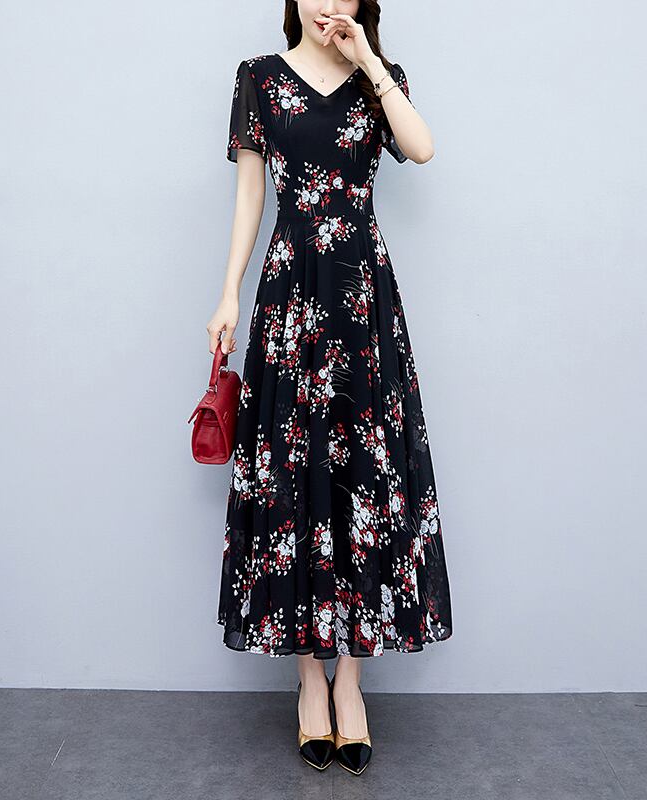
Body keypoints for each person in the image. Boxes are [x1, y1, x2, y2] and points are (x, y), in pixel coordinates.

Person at [207, 0, 454, 776]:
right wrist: (228, 294)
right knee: (294, 480)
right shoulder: (258, 79)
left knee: (362, 479)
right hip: (290, 297)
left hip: (361, 301)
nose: (327, 5)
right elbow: (251, 195)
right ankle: (309, 679)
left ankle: (352, 682)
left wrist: (369, 62)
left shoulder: (380, 79)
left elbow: (421, 148)